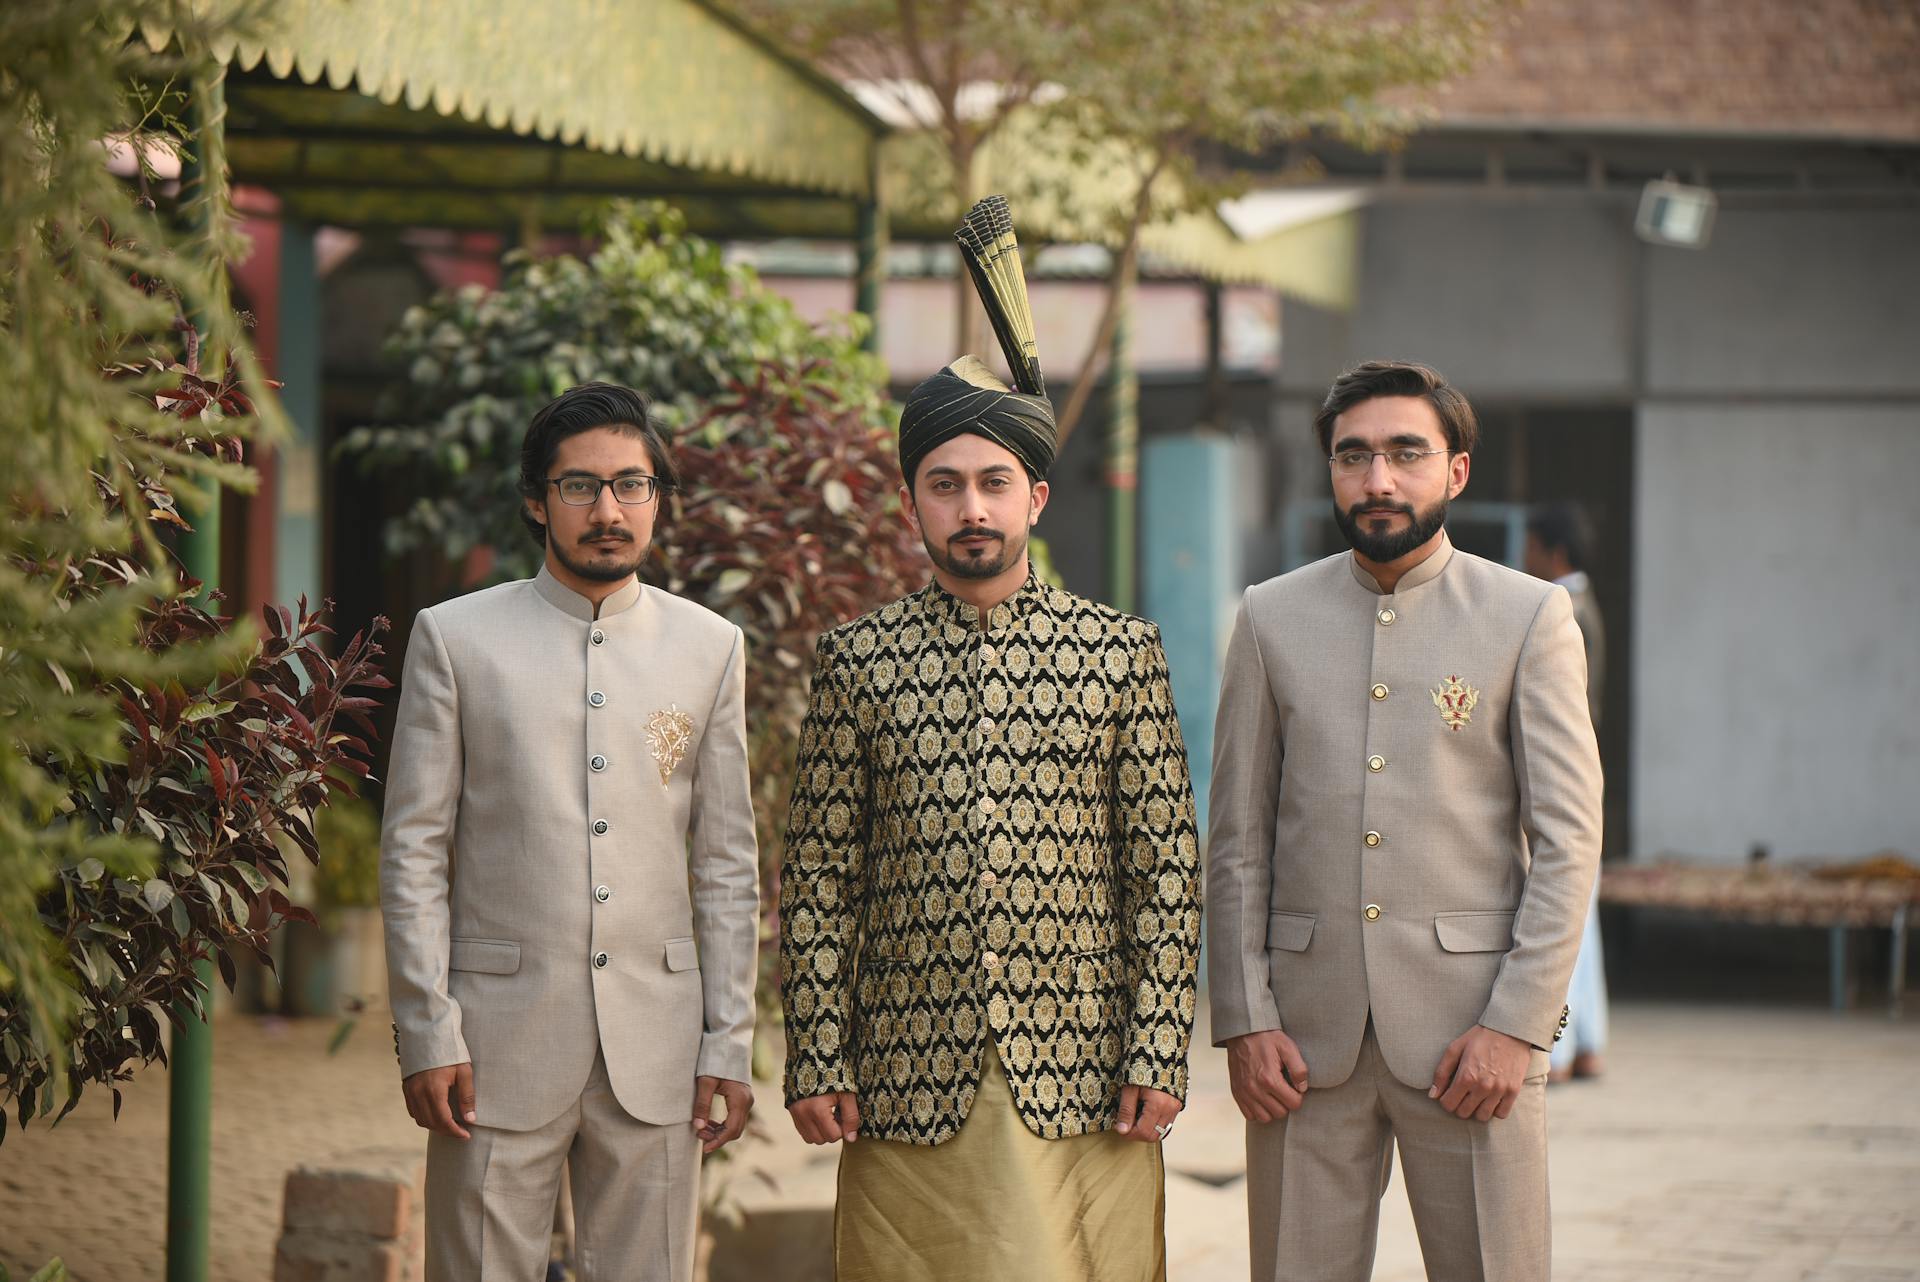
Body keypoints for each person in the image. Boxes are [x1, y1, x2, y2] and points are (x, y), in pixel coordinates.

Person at [778, 354, 1203, 1282]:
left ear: (1036, 498)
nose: (971, 508)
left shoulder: (1118, 653)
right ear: (911, 506)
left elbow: (1166, 872)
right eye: (945, 486)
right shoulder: (858, 660)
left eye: (994, 483)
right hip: (904, 1074)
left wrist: (1158, 1050)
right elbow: (817, 878)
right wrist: (817, 1056)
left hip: (1087, 1071)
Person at [1207, 360, 1603, 1282]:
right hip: (1300, 1047)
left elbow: (1569, 841)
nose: (1377, 479)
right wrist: (1245, 1018)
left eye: (1405, 453)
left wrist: (1517, 1026)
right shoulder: (1270, 617)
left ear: (1455, 471)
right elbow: (1237, 841)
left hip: (1474, 1045)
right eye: (1353, 456)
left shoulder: (1528, 616)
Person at [380, 382, 759, 1282]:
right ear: (535, 500)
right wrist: (429, 1030)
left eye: (632, 485)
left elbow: (725, 865)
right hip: (492, 1046)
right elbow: (413, 853)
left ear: (658, 499)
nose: (608, 510)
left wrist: (728, 1040)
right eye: (580, 486)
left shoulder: (710, 647)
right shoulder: (457, 639)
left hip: (659, 1047)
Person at [1525, 504, 1609, 1082]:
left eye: (1531, 546)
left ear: (1553, 552)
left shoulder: (1559, 610)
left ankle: (1555, 1051)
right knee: (1581, 913)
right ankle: (1586, 1044)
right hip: (1585, 773)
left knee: (1555, 907)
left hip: (1562, 775)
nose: (1523, 557)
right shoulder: (1586, 604)